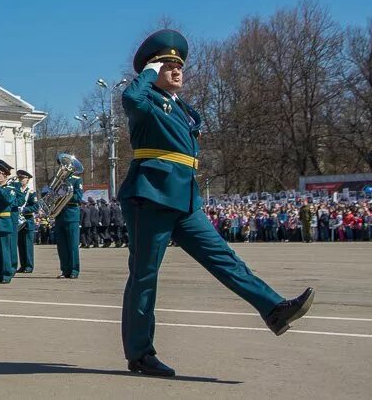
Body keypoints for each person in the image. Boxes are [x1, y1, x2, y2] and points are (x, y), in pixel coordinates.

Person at [119, 30, 315, 377]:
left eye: (180, 65)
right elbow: (131, 100)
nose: (177, 71)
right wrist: (148, 73)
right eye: (168, 65)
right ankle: (140, 353)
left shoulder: (182, 109)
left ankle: (274, 309)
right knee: (145, 276)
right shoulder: (146, 99)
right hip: (150, 195)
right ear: (152, 69)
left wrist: (160, 75)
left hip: (183, 197)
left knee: (224, 257)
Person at [53, 153, 84, 279]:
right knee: (62, 246)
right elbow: (52, 196)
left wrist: (65, 194)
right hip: (59, 215)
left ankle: (74, 270)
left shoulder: (77, 180)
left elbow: (78, 197)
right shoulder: (58, 181)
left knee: (72, 244)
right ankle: (65, 270)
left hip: (71, 215)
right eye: (62, 165)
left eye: (65, 165)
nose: (63, 168)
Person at [16, 170, 37, 273]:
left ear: (27, 179)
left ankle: (29, 265)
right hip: (19, 221)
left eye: (22, 178)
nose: (20, 180)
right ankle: (23, 265)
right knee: (20, 244)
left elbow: (36, 206)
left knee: (27, 244)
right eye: (19, 178)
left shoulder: (31, 193)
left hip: (28, 220)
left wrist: (24, 210)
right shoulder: (17, 191)